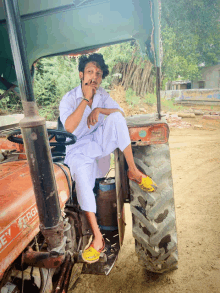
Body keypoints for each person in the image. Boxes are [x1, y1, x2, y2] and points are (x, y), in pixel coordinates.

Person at [59, 53, 156, 263]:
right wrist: (85, 101)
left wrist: (100, 109)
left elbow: (119, 112)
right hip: (77, 149)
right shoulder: (69, 98)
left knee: (117, 117)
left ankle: (133, 170)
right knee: (83, 180)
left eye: (99, 74)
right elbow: (69, 127)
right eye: (90, 72)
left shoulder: (102, 94)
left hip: (99, 144)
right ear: (81, 74)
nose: (94, 77)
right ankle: (97, 238)